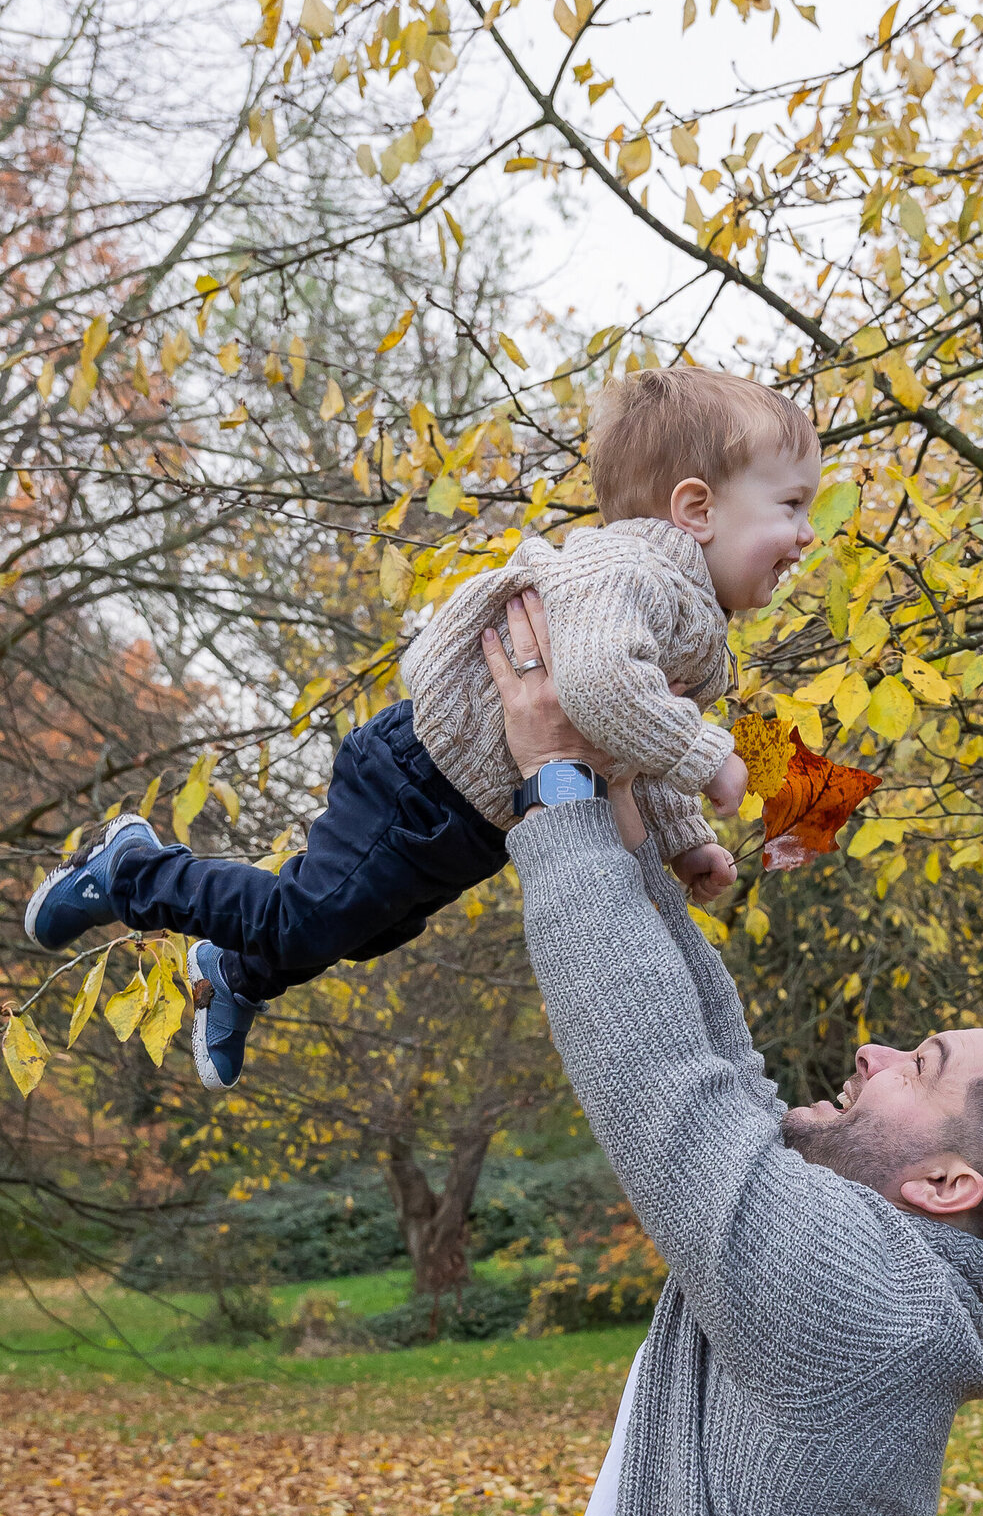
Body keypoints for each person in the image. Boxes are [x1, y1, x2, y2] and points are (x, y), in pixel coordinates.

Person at [481, 593, 983, 1516]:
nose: (875, 1051)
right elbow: (722, 1074)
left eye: (918, 1066)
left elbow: (665, 1085)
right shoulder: (882, 1283)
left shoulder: (864, 1305)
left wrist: (555, 787)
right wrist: (634, 818)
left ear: (940, 1181)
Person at [24, 368, 820, 1089]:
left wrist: (684, 839)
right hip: (420, 778)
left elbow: (639, 742)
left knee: (360, 927)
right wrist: (707, 759)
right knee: (314, 913)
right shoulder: (628, 572)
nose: (808, 534)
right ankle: (130, 870)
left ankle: (231, 970)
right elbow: (599, 683)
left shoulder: (696, 626)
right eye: (791, 506)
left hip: (474, 816)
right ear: (697, 509)